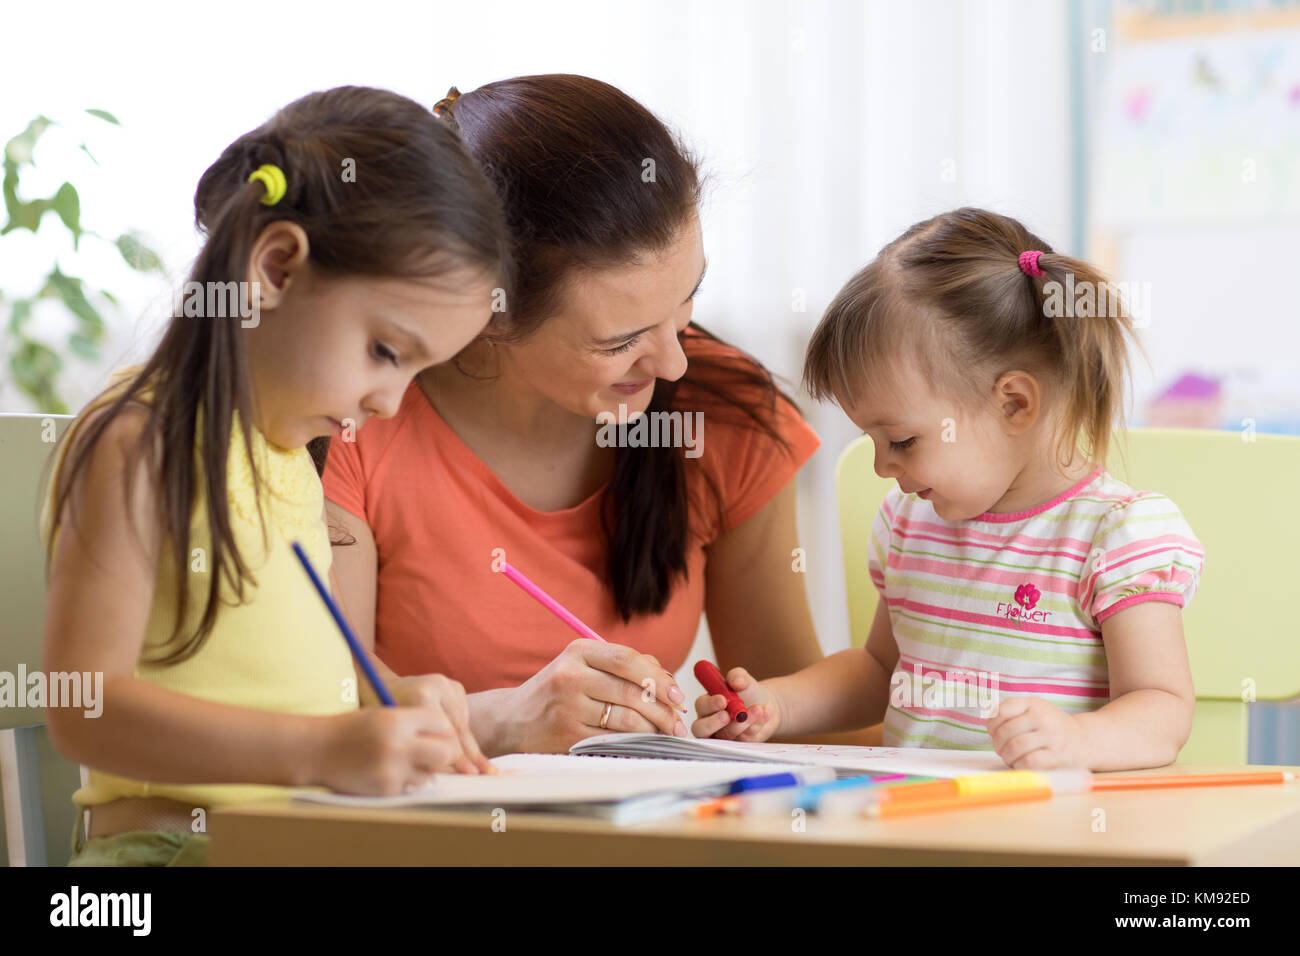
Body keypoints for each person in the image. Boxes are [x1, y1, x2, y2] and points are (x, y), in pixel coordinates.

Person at [41, 86, 509, 866]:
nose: (388, 402)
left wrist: (384, 693)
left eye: (416, 373)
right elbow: (80, 709)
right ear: (277, 267)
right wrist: (326, 750)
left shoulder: (289, 452)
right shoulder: (142, 440)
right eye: (387, 352)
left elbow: (279, 665)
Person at [324, 75, 826, 756]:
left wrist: (757, 716)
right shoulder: (360, 412)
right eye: (620, 342)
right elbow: (329, 706)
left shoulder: (724, 409)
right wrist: (506, 722)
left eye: (687, 299)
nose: (675, 364)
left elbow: (807, 728)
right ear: (489, 313)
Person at [694, 207, 1205, 771]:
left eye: (903, 440)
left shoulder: (1115, 536)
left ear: (1013, 403)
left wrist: (1079, 741)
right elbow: (879, 670)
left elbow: (1162, 708)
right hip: (919, 824)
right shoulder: (909, 525)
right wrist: (780, 705)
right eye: (873, 440)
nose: (883, 467)